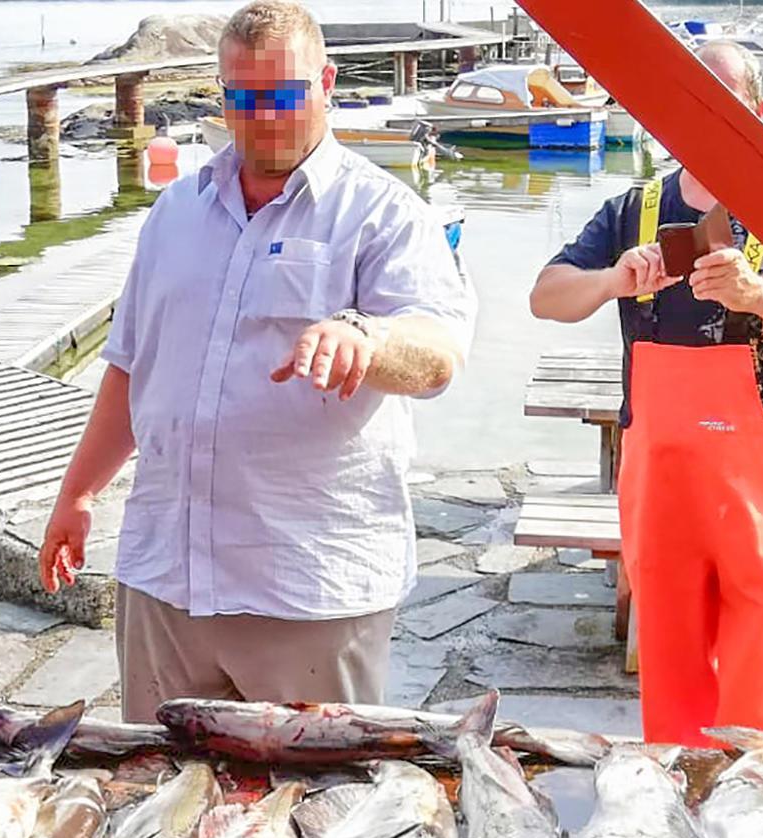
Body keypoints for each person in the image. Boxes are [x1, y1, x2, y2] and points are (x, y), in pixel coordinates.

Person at [37, 0, 475, 722]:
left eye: (283, 94)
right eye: (242, 98)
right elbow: (131, 366)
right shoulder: (175, 211)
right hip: (166, 580)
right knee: (158, 783)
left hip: (308, 587)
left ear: (326, 82)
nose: (263, 116)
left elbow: (437, 353)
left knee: (313, 791)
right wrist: (78, 494)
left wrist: (365, 338)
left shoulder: (384, 213)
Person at [528, 40, 763, 746]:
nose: (704, 116)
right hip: (664, 481)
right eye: (690, 101)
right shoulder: (632, 212)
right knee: (672, 665)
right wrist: (613, 280)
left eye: (722, 100)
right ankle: (678, 791)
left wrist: (758, 294)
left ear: (757, 112)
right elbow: (546, 297)